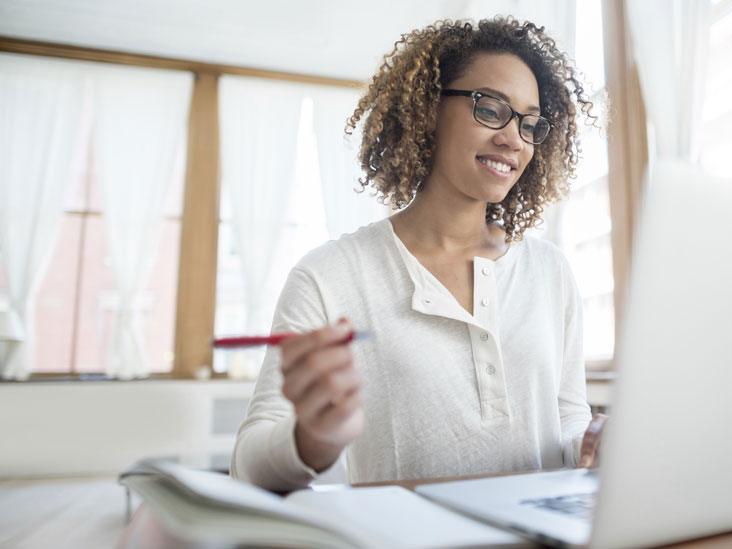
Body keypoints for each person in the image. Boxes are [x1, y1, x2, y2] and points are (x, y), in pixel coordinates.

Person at [231, 16, 608, 491]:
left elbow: (566, 419)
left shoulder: (549, 272)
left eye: (530, 123)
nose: (514, 138)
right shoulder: (329, 276)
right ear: (428, 109)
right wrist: (311, 439)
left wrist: (592, 444)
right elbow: (247, 467)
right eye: (490, 109)